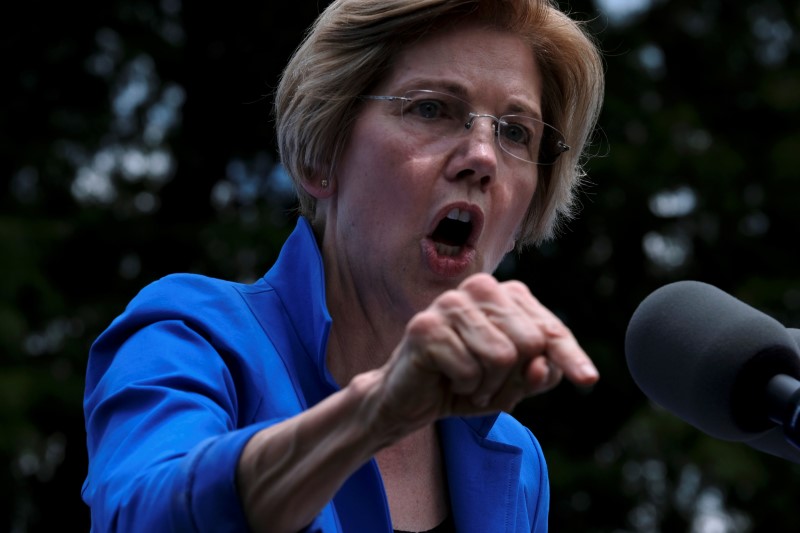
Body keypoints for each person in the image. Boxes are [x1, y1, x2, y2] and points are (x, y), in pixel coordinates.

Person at [82, 0, 605, 531]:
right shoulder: (189, 333)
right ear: (321, 154)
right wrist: (373, 415)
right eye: (432, 109)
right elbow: (143, 514)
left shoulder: (518, 461)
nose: (483, 158)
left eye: (516, 133)